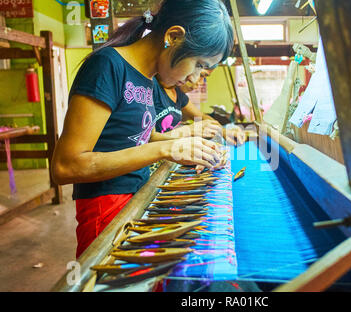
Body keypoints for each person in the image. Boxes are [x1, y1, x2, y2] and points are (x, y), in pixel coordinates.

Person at [51, 0, 234, 258]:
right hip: (105, 213)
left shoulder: (147, 79)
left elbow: (130, 140)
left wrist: (189, 149)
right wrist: (167, 148)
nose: (195, 79)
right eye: (198, 64)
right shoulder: (108, 67)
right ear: (173, 36)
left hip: (135, 202)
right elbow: (66, 166)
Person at [153, 69, 246, 146]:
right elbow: (149, 139)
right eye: (201, 75)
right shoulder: (153, 87)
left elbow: (201, 117)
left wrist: (225, 131)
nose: (200, 83)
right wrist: (189, 131)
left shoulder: (178, 94)